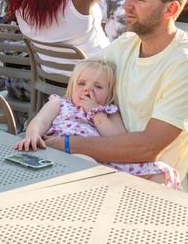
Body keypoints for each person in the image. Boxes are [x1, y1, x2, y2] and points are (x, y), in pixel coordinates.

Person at [38, 0, 188, 187]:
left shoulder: (187, 65)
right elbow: (79, 88)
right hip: (101, 171)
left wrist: (68, 144)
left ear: (171, 9)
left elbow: (148, 148)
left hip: (152, 189)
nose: (126, 5)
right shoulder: (126, 43)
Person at [17, 58, 179, 186]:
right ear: (72, 86)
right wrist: (33, 133)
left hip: (102, 159)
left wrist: (96, 114)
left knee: (160, 173)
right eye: (81, 84)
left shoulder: (108, 112)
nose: (88, 90)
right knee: (84, 162)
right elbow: (40, 120)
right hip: (62, 154)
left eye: (98, 86)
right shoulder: (60, 103)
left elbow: (119, 139)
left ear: (109, 93)